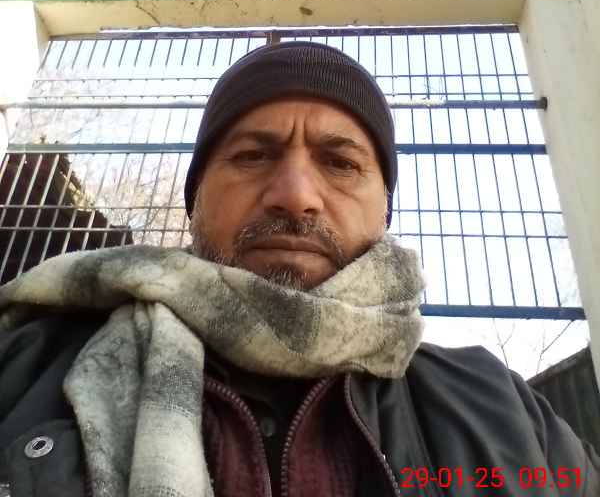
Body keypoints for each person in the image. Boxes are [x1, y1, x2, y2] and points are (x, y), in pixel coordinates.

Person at [0, 41, 598, 497]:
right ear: (195, 200)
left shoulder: (504, 412)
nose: (295, 196)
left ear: (384, 210)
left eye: (339, 162)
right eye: (253, 155)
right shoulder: (23, 368)